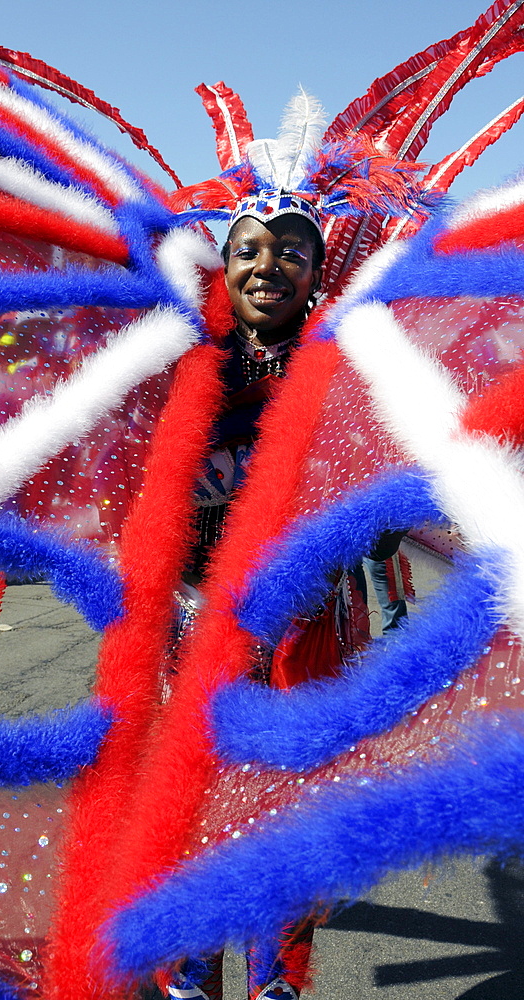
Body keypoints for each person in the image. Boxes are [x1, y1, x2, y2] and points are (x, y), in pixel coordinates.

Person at [167, 191, 387, 1000]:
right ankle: (191, 976)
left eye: (293, 251)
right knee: (191, 811)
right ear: (222, 268)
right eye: (250, 249)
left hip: (305, 631)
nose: (269, 266)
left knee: (286, 809)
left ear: (319, 271)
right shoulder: (183, 366)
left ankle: (274, 983)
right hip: (194, 628)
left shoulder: (351, 366)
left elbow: (384, 483)